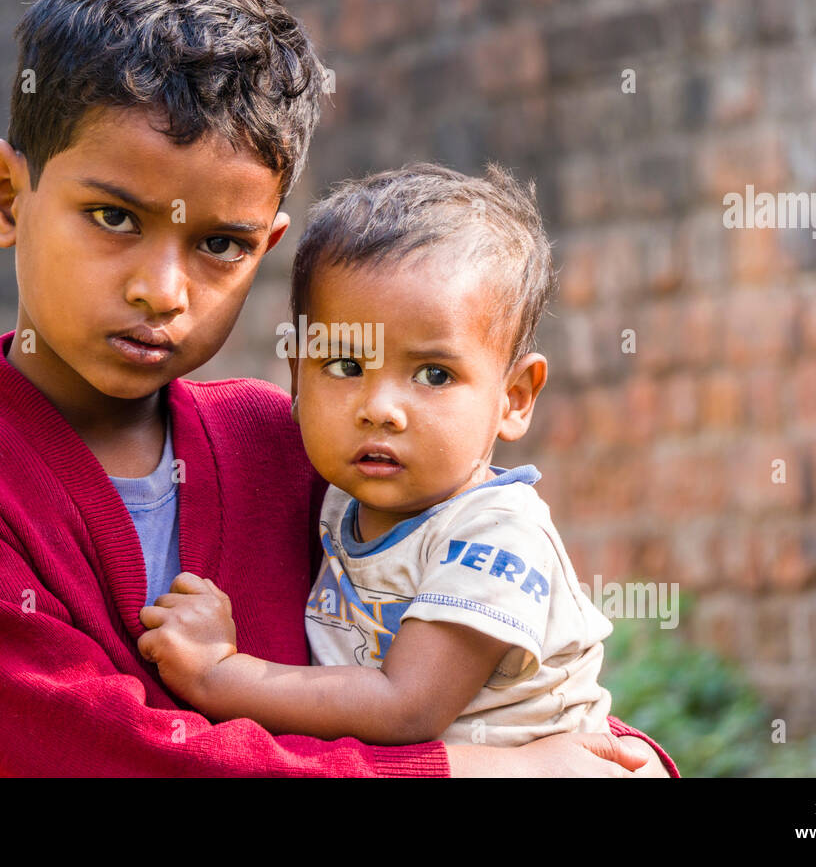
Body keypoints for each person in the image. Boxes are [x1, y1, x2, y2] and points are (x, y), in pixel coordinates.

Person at [0, 0, 675, 776]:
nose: (163, 289)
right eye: (115, 218)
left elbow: (530, 700)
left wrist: (621, 759)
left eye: (219, 244)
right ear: (7, 197)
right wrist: (473, 774)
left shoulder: (288, 444)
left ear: (265, 249)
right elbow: (122, 764)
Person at [137, 163, 673, 772]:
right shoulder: (340, 501)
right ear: (297, 378)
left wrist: (220, 674)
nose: (381, 409)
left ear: (515, 397)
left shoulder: (494, 534)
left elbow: (404, 707)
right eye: (344, 366)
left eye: (434, 375)